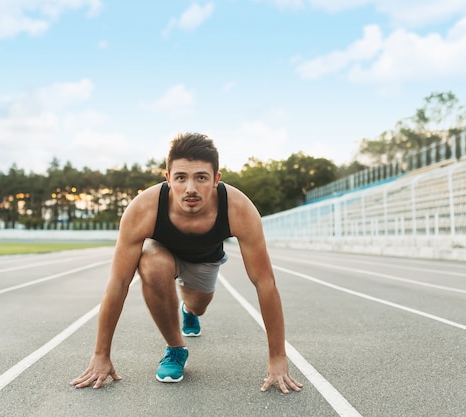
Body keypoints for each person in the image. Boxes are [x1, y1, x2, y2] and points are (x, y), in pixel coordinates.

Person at [69, 132, 303, 394]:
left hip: (205, 262)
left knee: (197, 305)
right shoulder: (143, 209)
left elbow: (265, 282)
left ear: (216, 179)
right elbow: (120, 281)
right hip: (163, 254)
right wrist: (101, 354)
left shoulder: (238, 209)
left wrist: (278, 358)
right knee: (151, 264)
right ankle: (175, 348)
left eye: (201, 177)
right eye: (181, 177)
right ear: (168, 179)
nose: (190, 188)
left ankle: (189, 312)